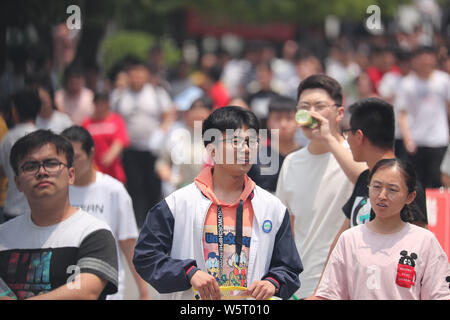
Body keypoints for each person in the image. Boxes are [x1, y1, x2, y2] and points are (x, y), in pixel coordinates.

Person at [133, 106, 303, 300]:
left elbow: (289, 268)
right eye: (236, 142)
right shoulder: (176, 205)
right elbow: (146, 256)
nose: (246, 149)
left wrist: (273, 282)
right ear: (211, 150)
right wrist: (189, 273)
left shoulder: (273, 208)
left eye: (251, 142)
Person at [0, 129, 118, 299]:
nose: (42, 172)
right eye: (30, 166)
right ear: (18, 183)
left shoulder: (93, 233)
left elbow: (85, 293)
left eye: (51, 163)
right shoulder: (3, 237)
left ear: (71, 175)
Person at [314, 158, 450, 300]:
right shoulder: (349, 239)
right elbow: (329, 294)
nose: (382, 196)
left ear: (410, 196)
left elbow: (440, 295)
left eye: (392, 190)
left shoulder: (425, 241)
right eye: (376, 187)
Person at [275, 74, 354, 299]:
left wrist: (328, 138)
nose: (311, 114)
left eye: (320, 106)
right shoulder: (291, 162)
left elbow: (363, 182)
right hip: (301, 284)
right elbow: (286, 226)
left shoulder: (355, 158)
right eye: (304, 107)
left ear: (339, 113)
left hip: (345, 282)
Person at [61, 126, 148, 300]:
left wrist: (144, 292)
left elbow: (129, 243)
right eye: (66, 159)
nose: (72, 164)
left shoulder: (114, 190)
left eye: (76, 157)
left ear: (91, 153)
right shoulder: (59, 191)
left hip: (108, 290)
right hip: (66, 288)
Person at [114, 62, 176, 228]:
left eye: (140, 74)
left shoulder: (157, 93)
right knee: (135, 188)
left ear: (146, 75)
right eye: (133, 74)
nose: (136, 77)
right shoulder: (120, 95)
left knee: (153, 188)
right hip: (130, 150)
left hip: (153, 149)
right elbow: (115, 119)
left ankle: (153, 224)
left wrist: (161, 133)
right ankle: (136, 224)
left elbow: (169, 114)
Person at [396, 46, 450, 188]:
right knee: (415, 184)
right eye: (421, 57)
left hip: (438, 140)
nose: (425, 61)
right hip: (416, 141)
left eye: (428, 56)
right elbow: (402, 114)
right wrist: (407, 138)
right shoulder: (407, 83)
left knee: (438, 182)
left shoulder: (444, 81)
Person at [0, 89, 41, 222]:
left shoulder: (7, 138)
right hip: (38, 210)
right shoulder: (44, 137)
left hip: (12, 208)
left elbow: (2, 171)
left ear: (15, 111)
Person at [248, 95, 301, 193]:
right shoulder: (255, 159)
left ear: (298, 122)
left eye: (289, 118)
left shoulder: (307, 156)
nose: (283, 124)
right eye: (277, 118)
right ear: (268, 122)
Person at [82, 91, 130, 184]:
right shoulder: (87, 123)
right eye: (98, 103)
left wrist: (111, 155)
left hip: (114, 171)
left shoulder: (116, 120)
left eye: (104, 103)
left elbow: (120, 140)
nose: (101, 107)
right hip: (94, 171)